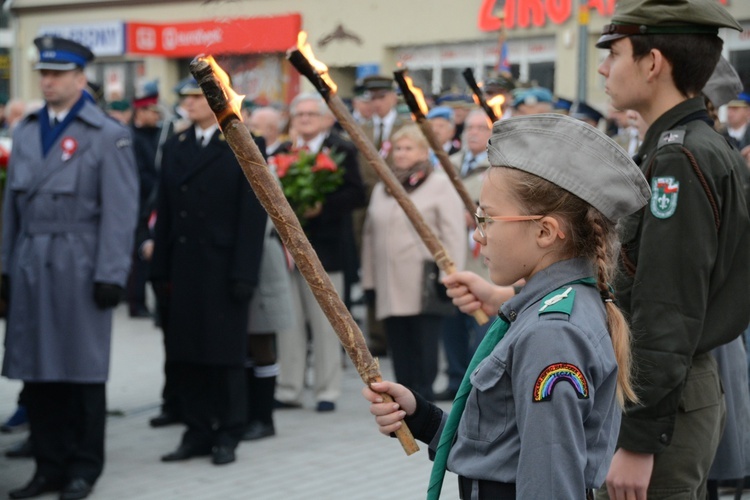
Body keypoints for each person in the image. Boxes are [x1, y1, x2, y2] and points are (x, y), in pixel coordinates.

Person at [363, 113, 650, 499]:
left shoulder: (552, 333)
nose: (479, 236)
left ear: (545, 231)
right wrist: (423, 418)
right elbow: (505, 446)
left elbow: (550, 480)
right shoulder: (547, 307)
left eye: (489, 219)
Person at [595, 1, 750, 498]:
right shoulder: (686, 145)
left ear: (653, 62)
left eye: (614, 53)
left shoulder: (679, 158)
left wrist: (639, 442)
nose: (603, 67)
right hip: (667, 391)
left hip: (661, 400)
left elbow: (667, 309)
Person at [1, 35, 138, 500]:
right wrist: (5, 266)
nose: (48, 81)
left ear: (81, 79)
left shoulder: (106, 133)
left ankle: (83, 467)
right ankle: (48, 465)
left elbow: (121, 212)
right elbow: (11, 209)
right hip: (32, 263)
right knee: (37, 372)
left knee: (81, 371)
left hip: (81, 265)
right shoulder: (25, 130)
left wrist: (111, 274)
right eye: (43, 73)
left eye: (57, 74)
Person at [151, 77, 267, 466]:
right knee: (186, 354)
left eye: (196, 96)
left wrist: (244, 273)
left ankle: (228, 432)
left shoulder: (242, 144)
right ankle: (196, 430)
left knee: (224, 356)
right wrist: (159, 269)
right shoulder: (175, 146)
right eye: (184, 96)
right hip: (184, 267)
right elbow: (165, 212)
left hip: (223, 268)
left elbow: (252, 217)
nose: (188, 103)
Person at [274, 93, 365, 413]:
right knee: (290, 323)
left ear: (326, 118)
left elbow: (357, 193)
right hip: (289, 252)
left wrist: (321, 207)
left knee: (326, 323)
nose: (304, 119)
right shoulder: (283, 151)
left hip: (328, 250)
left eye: (311, 114)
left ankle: (328, 390)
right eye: (299, 114)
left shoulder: (341, 149)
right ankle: (289, 388)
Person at [361, 124, 466, 402]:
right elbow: (370, 237)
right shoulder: (384, 187)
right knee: (398, 343)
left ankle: (424, 397)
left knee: (424, 342)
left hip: (425, 280)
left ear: (423, 152)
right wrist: (370, 281)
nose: (402, 154)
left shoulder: (439, 184)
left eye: (409, 148)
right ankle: (405, 395)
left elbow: (453, 233)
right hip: (388, 281)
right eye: (398, 148)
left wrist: (451, 275)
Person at [435, 109, 495, 401]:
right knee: (452, 319)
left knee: (480, 318)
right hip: (453, 253)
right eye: (469, 127)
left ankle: (475, 377)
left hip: (482, 255)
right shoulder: (448, 163)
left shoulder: (497, 164)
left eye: (481, 128)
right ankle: (454, 375)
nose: (473, 133)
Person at [127, 81, 161, 319]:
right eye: (152, 111)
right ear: (141, 111)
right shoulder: (130, 137)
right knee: (139, 254)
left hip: (155, 201)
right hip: (139, 203)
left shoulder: (159, 134)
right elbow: (139, 172)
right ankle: (136, 302)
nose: (156, 115)